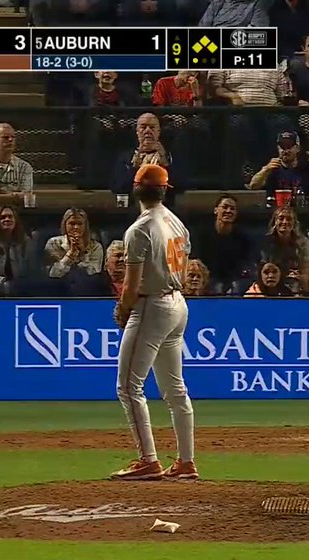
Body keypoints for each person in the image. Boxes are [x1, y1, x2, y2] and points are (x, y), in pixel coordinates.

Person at [110, 164, 197, 482]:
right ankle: (186, 462)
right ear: (164, 190)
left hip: (152, 305)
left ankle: (148, 460)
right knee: (175, 389)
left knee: (128, 386)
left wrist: (122, 309)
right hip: (177, 303)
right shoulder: (177, 223)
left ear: (135, 189)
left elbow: (131, 285)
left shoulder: (139, 229)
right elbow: (184, 274)